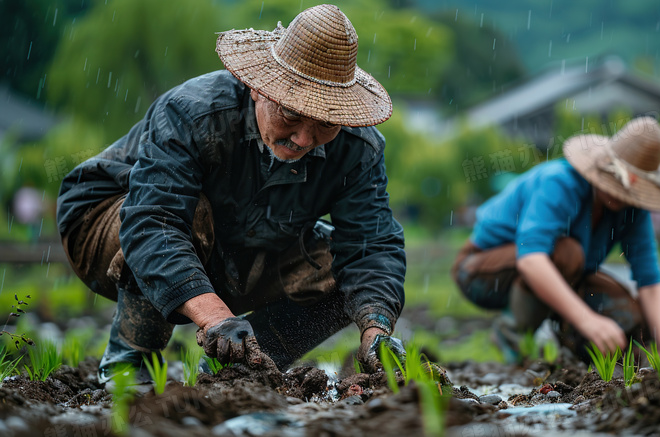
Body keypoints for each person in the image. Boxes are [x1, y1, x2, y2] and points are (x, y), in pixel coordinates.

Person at [56, 4, 406, 382]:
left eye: (324, 123)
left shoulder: (358, 148)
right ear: (258, 88)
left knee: (344, 274)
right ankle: (130, 361)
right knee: (185, 215)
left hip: (242, 241)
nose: (304, 139)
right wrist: (216, 318)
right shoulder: (192, 113)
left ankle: (241, 364)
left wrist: (376, 331)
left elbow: (371, 246)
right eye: (290, 114)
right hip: (104, 223)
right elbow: (152, 222)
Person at [452, 117, 660, 362]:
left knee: (630, 319)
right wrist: (587, 320)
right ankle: (514, 338)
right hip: (481, 271)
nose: (619, 194)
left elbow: (650, 280)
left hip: (565, 273)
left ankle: (573, 353)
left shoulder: (632, 210)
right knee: (567, 253)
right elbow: (531, 259)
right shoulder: (560, 182)